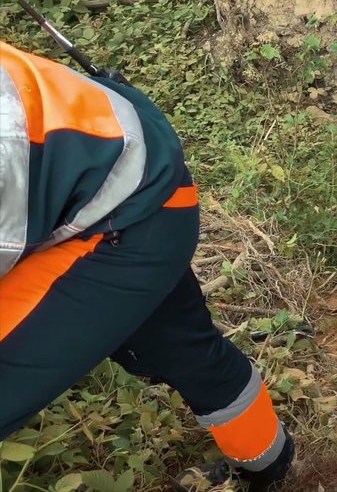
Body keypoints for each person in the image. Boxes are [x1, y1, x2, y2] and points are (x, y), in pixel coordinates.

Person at [0, 41, 293, 491]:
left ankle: (268, 469)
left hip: (126, 202)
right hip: (120, 157)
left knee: (178, 344)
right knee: (179, 345)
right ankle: (270, 465)